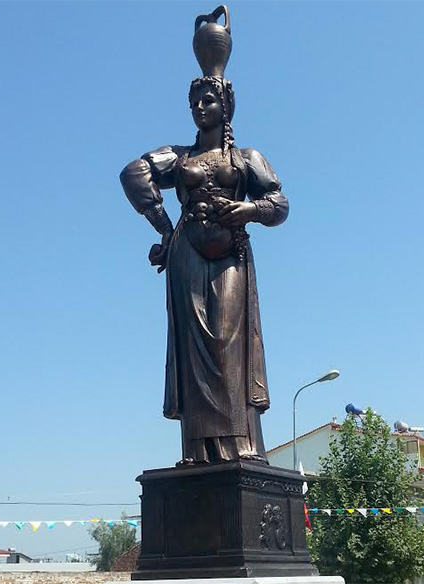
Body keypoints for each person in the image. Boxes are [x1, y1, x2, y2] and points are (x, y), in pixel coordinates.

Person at [120, 73, 288, 465]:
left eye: (208, 100)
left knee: (227, 342)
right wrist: (165, 228)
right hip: (187, 255)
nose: (199, 108)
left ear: (226, 107)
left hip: (231, 255)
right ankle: (197, 450)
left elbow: (279, 203)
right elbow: (133, 173)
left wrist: (249, 209)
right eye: (194, 102)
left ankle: (240, 444)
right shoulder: (179, 156)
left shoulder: (246, 157)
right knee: (193, 351)